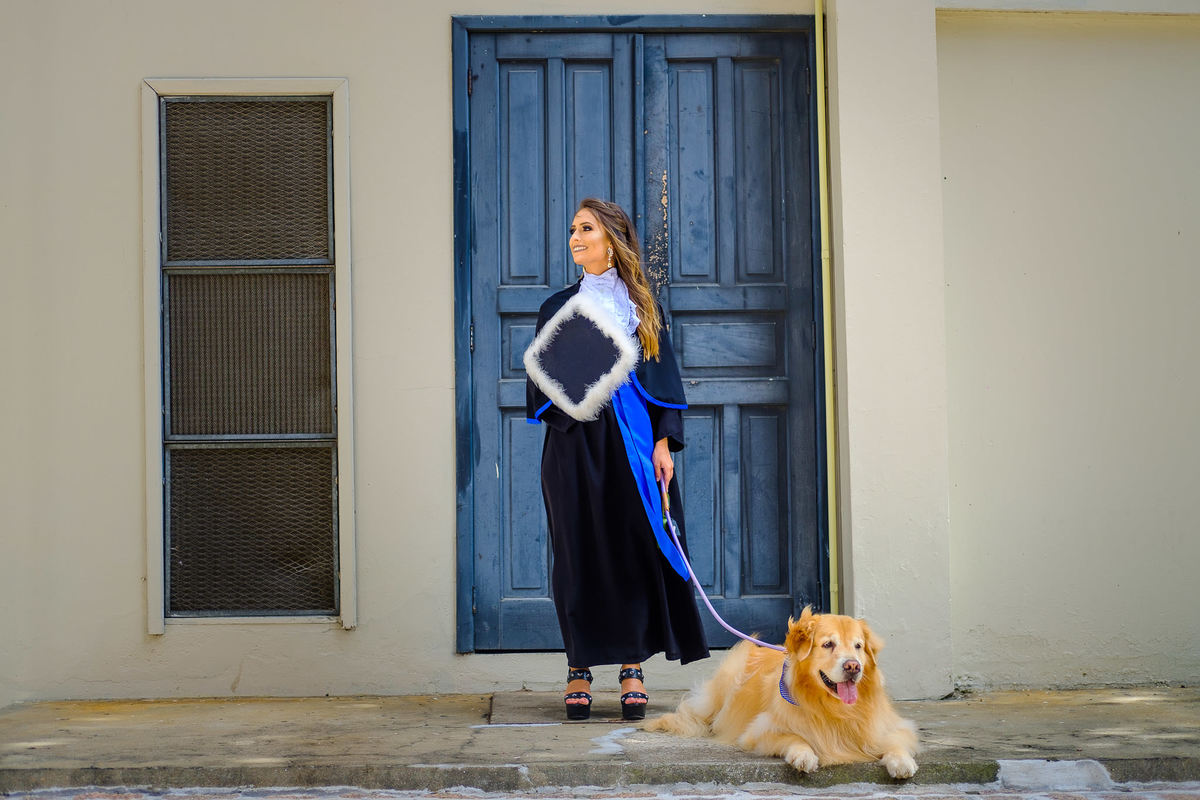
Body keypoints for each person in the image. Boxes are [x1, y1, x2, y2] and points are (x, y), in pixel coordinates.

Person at [525, 198, 709, 721]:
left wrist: (663, 442)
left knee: (633, 549)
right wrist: (584, 381)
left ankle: (632, 666)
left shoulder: (641, 307)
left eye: (586, 228)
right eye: (573, 229)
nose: (575, 237)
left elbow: (662, 382)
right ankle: (579, 667)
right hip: (574, 445)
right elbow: (539, 386)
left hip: (632, 443)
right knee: (578, 552)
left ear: (612, 238)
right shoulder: (558, 307)